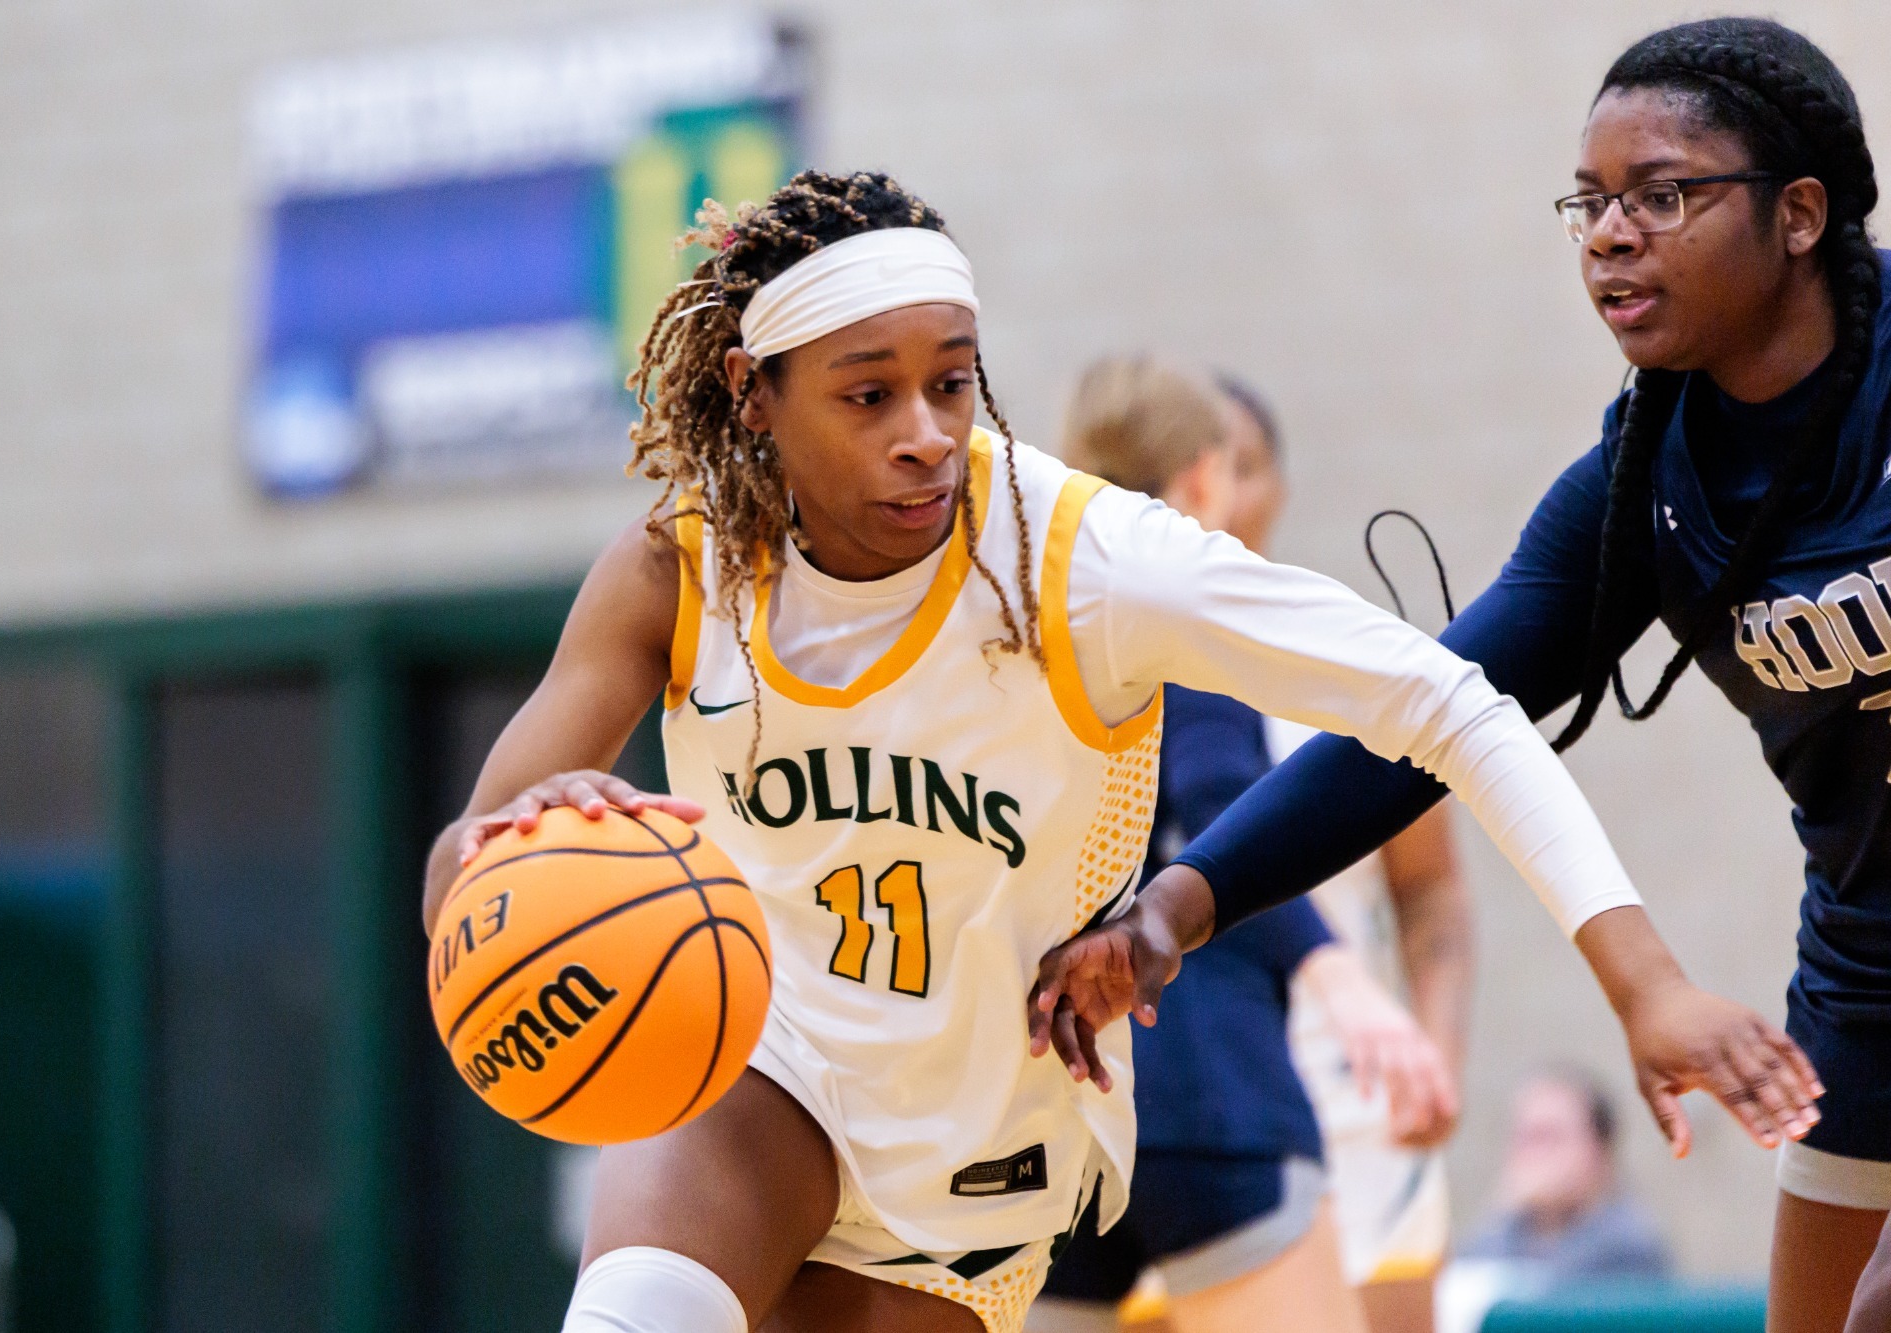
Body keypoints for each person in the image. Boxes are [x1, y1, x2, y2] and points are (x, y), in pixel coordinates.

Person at [423, 168, 1806, 1333]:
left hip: (982, 1136)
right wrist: (532, 856)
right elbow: (460, 882)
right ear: (754, 391)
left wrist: (1643, 977)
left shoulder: (1081, 555)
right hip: (760, 1066)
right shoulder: (678, 569)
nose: (925, 435)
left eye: (952, 383)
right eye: (868, 395)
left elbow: (1450, 700)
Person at [1031, 17, 1884, 1333]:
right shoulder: (1643, 486)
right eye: (1589, 202)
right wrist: (1173, 913)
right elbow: (1413, 720)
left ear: (1801, 214)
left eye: (1662, 195)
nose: (1610, 233)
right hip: (1868, 970)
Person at [1027, 359, 1459, 1333]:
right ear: (1198, 484)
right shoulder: (1185, 625)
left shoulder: (1024, 634)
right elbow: (1221, 804)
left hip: (1048, 1101)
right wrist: (1341, 982)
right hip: (1216, 1091)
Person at [1457, 1067, 1670, 1286]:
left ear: (1599, 1149)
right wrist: (1499, 1213)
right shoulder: (1505, 1232)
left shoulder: (1630, 1246)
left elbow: (1553, 1298)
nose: (1533, 1155)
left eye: (1547, 1137)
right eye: (1524, 1138)